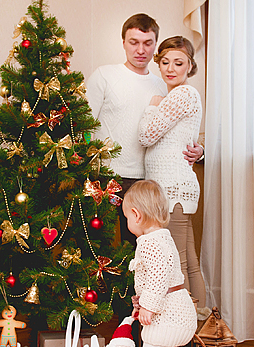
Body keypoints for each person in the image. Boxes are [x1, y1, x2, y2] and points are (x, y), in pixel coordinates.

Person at [86, 14, 204, 246]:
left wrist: (199, 151)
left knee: (140, 251)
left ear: (155, 45)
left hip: (147, 181)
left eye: (148, 43)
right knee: (100, 247)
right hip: (106, 177)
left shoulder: (165, 84)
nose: (140, 50)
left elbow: (177, 130)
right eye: (134, 42)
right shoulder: (104, 75)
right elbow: (83, 125)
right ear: (123, 43)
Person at [123, 179, 196, 347]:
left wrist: (149, 307)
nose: (127, 222)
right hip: (175, 311)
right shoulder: (161, 237)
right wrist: (141, 305)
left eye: (126, 218)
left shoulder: (150, 243)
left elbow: (158, 277)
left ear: (136, 215)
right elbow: (152, 281)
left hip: (170, 316)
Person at [138, 36, 206, 308]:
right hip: (178, 188)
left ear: (190, 66)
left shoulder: (182, 94)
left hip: (173, 190)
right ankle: (199, 322)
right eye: (165, 62)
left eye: (179, 63)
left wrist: (152, 106)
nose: (170, 68)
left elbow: (145, 135)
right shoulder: (180, 96)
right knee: (188, 262)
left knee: (177, 264)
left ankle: (183, 325)